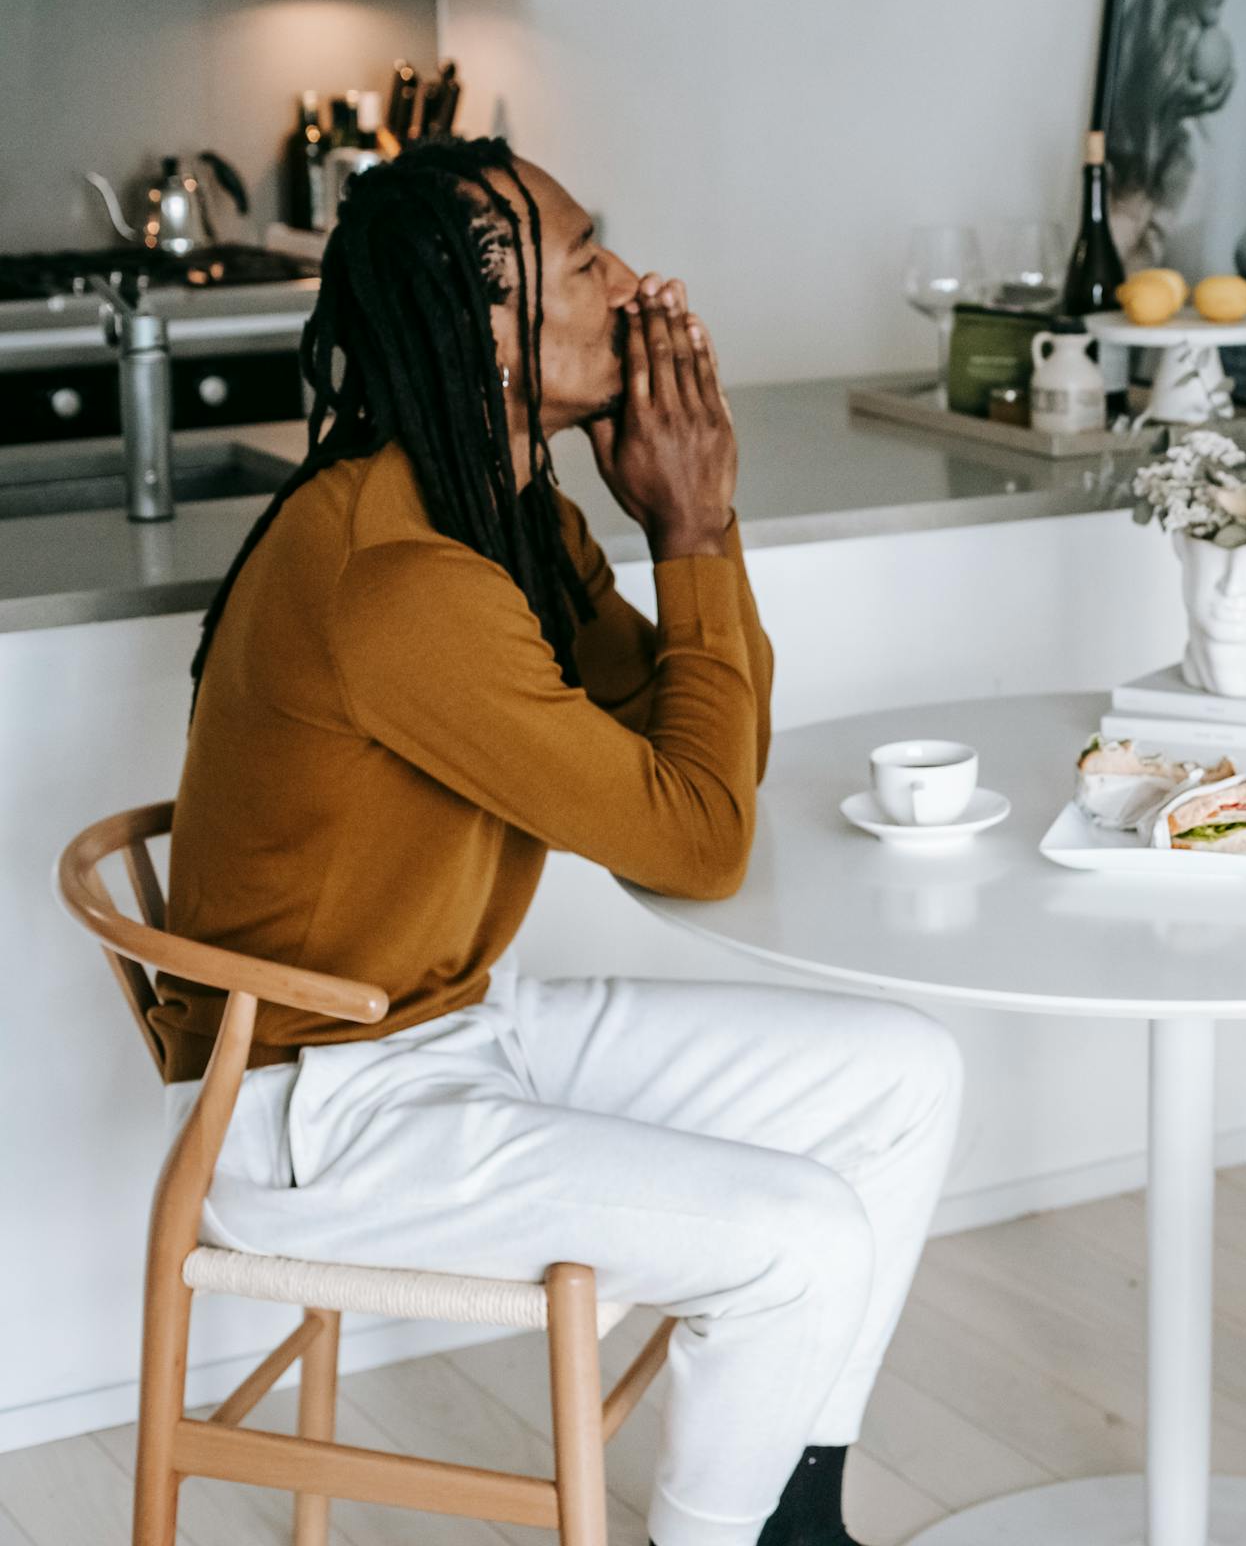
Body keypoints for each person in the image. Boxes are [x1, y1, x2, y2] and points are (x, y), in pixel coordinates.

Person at [153, 137, 961, 1546]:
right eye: (587, 262)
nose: (637, 286)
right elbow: (700, 840)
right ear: (491, 331)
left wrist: (685, 523)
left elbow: (717, 760)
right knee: (802, 1237)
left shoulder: (498, 510)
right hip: (315, 1108)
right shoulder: (400, 582)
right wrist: (696, 521)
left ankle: (791, 1508)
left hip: (448, 1027)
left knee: (906, 1074)